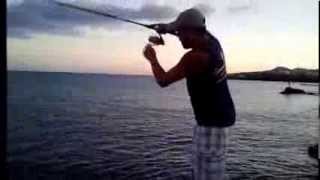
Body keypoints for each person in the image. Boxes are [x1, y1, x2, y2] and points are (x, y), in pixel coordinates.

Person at [143, 8, 236, 180]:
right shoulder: (212, 42)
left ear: (192, 31)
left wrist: (152, 59)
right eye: (177, 33)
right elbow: (185, 28)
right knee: (211, 170)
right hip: (221, 120)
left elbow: (163, 80)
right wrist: (166, 28)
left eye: (180, 33)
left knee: (207, 176)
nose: (178, 37)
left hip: (211, 127)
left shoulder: (195, 58)